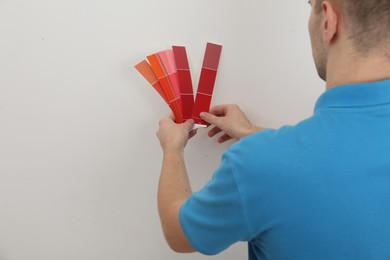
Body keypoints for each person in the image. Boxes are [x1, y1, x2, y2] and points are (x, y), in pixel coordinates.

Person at [155, 0, 390, 259]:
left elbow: (179, 233)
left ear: (328, 20)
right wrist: (253, 132)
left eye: (310, 5)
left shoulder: (258, 164)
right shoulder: (268, 160)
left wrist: (172, 148)